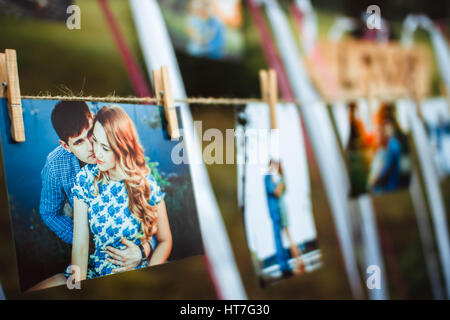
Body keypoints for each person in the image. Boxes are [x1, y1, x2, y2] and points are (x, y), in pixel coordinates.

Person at [29, 101, 152, 291]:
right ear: (65, 145)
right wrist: (83, 237)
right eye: (79, 142)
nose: (91, 148)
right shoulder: (55, 165)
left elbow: (152, 221)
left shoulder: (119, 146)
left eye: (90, 135)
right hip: (88, 252)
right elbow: (49, 212)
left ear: (93, 119)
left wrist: (143, 250)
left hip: (128, 250)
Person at [71, 105, 172, 280]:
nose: (96, 152)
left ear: (122, 148)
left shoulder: (145, 183)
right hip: (94, 274)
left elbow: (165, 241)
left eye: (106, 148)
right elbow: (79, 247)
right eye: (95, 140)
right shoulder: (85, 178)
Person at [264, 159, 292, 277]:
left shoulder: (273, 178)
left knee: (280, 239)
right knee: (278, 239)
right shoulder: (267, 177)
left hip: (278, 211)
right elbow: (274, 192)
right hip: (275, 212)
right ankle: (283, 266)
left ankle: (285, 265)